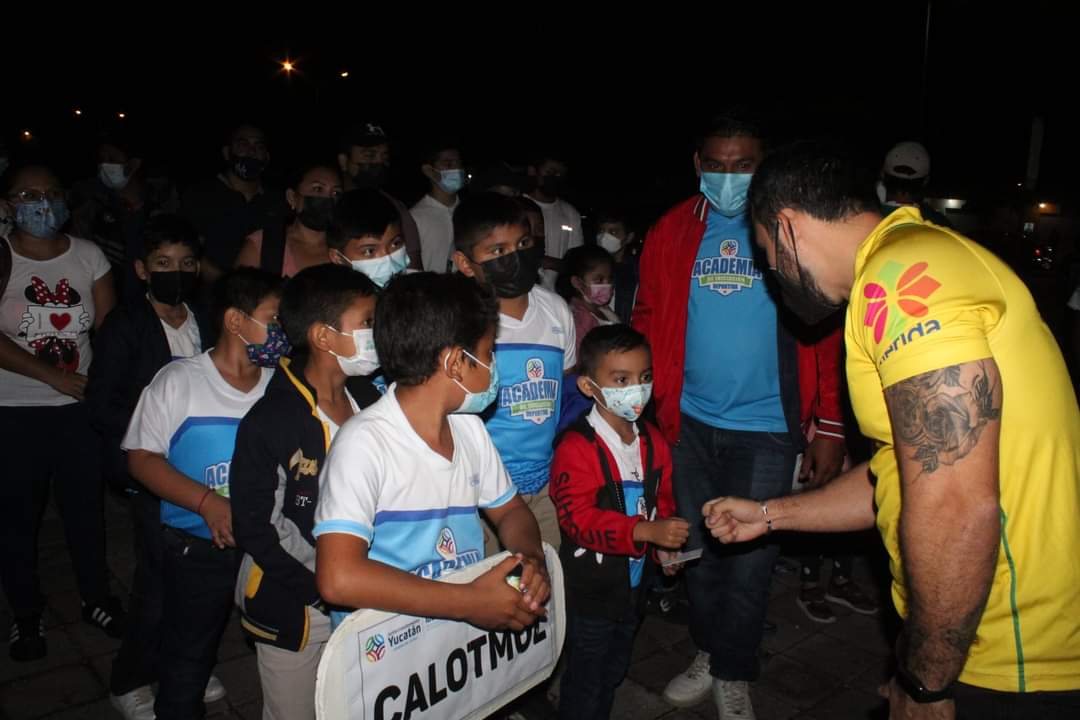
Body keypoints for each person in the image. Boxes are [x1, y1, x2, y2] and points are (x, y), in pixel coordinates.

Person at [706, 139, 1080, 719]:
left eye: (765, 254)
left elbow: (953, 502)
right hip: (982, 635)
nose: (771, 274)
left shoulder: (902, 280)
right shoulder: (912, 257)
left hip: (1012, 649)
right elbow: (902, 474)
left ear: (787, 227)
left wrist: (927, 683)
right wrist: (771, 515)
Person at [631, 115, 846, 718]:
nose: (730, 176)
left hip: (767, 429)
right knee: (697, 549)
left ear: (764, 164)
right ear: (698, 164)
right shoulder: (672, 230)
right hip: (688, 423)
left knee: (750, 561)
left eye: (744, 163)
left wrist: (829, 424)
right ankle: (710, 650)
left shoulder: (790, 228)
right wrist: (643, 412)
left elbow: (825, 331)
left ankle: (733, 669)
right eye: (718, 164)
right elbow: (648, 318)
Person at [313, 272, 550, 632]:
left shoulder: (467, 428)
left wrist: (530, 560)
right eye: (488, 353)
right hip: (384, 657)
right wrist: (470, 602)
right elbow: (338, 577)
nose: (493, 366)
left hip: (444, 652)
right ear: (455, 362)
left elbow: (511, 511)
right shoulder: (363, 444)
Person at [123, 268, 285, 719]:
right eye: (275, 319)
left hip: (270, 543)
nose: (283, 331)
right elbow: (141, 458)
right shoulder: (179, 382)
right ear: (236, 321)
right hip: (198, 548)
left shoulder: (281, 383)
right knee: (188, 652)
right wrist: (207, 503)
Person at [85, 215, 225, 718]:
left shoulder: (209, 318)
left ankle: (182, 661)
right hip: (154, 473)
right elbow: (101, 405)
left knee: (204, 578)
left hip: (207, 469)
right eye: (164, 264)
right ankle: (130, 678)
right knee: (158, 583)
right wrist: (153, 436)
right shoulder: (124, 326)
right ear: (142, 270)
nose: (177, 273)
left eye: (187, 264)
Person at [232, 263, 379, 720]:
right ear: (323, 336)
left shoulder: (369, 401)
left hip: (367, 594)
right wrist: (325, 584)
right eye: (368, 323)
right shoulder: (273, 421)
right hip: (296, 603)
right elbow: (258, 527)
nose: (379, 333)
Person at [0, 164, 124, 662]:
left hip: (77, 413)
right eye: (27, 194)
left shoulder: (88, 254)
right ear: (8, 204)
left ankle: (97, 598)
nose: (40, 202)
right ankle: (26, 615)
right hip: (13, 409)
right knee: (16, 518)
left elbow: (109, 331)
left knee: (84, 512)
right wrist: (54, 377)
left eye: (50, 192)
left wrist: (108, 392)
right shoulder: (3, 255)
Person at [550, 324, 688, 719]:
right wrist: (643, 531)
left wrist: (664, 547)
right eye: (621, 379)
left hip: (634, 586)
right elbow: (577, 520)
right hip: (591, 590)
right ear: (590, 386)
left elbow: (661, 501)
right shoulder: (577, 447)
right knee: (586, 675)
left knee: (614, 667)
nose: (637, 390)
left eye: (644, 378)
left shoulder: (652, 440)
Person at [452, 193, 576, 551]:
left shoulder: (555, 311)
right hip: (478, 494)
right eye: (497, 251)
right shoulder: (460, 321)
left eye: (523, 244)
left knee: (544, 585)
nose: (515, 258)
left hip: (543, 488)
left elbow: (563, 393)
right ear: (465, 262)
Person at [181, 124, 285, 280]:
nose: (251, 151)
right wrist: (228, 286)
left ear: (267, 157)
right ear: (226, 152)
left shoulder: (278, 202)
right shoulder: (200, 195)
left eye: (259, 146)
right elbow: (188, 248)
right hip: (211, 298)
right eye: (243, 144)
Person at [336, 122, 422, 269]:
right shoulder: (329, 207)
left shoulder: (395, 208)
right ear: (344, 161)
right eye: (370, 155)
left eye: (384, 156)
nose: (379, 162)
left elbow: (413, 268)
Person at [233, 163, 343, 276]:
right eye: (318, 189)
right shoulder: (264, 245)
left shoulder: (347, 246)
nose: (327, 199)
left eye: (336, 193)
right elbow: (238, 291)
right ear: (292, 197)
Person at [526, 152, 584, 289]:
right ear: (533, 171)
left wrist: (548, 262)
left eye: (560, 174)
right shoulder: (517, 206)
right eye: (550, 172)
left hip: (553, 294)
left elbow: (577, 263)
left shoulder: (570, 213)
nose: (555, 177)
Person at [410, 140, 465, 273]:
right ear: (429, 170)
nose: (455, 168)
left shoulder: (469, 212)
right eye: (448, 163)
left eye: (458, 163)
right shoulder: (414, 217)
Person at [556, 245, 619, 358]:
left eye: (609, 279)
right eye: (599, 280)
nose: (607, 285)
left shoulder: (605, 310)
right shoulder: (578, 319)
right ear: (577, 283)